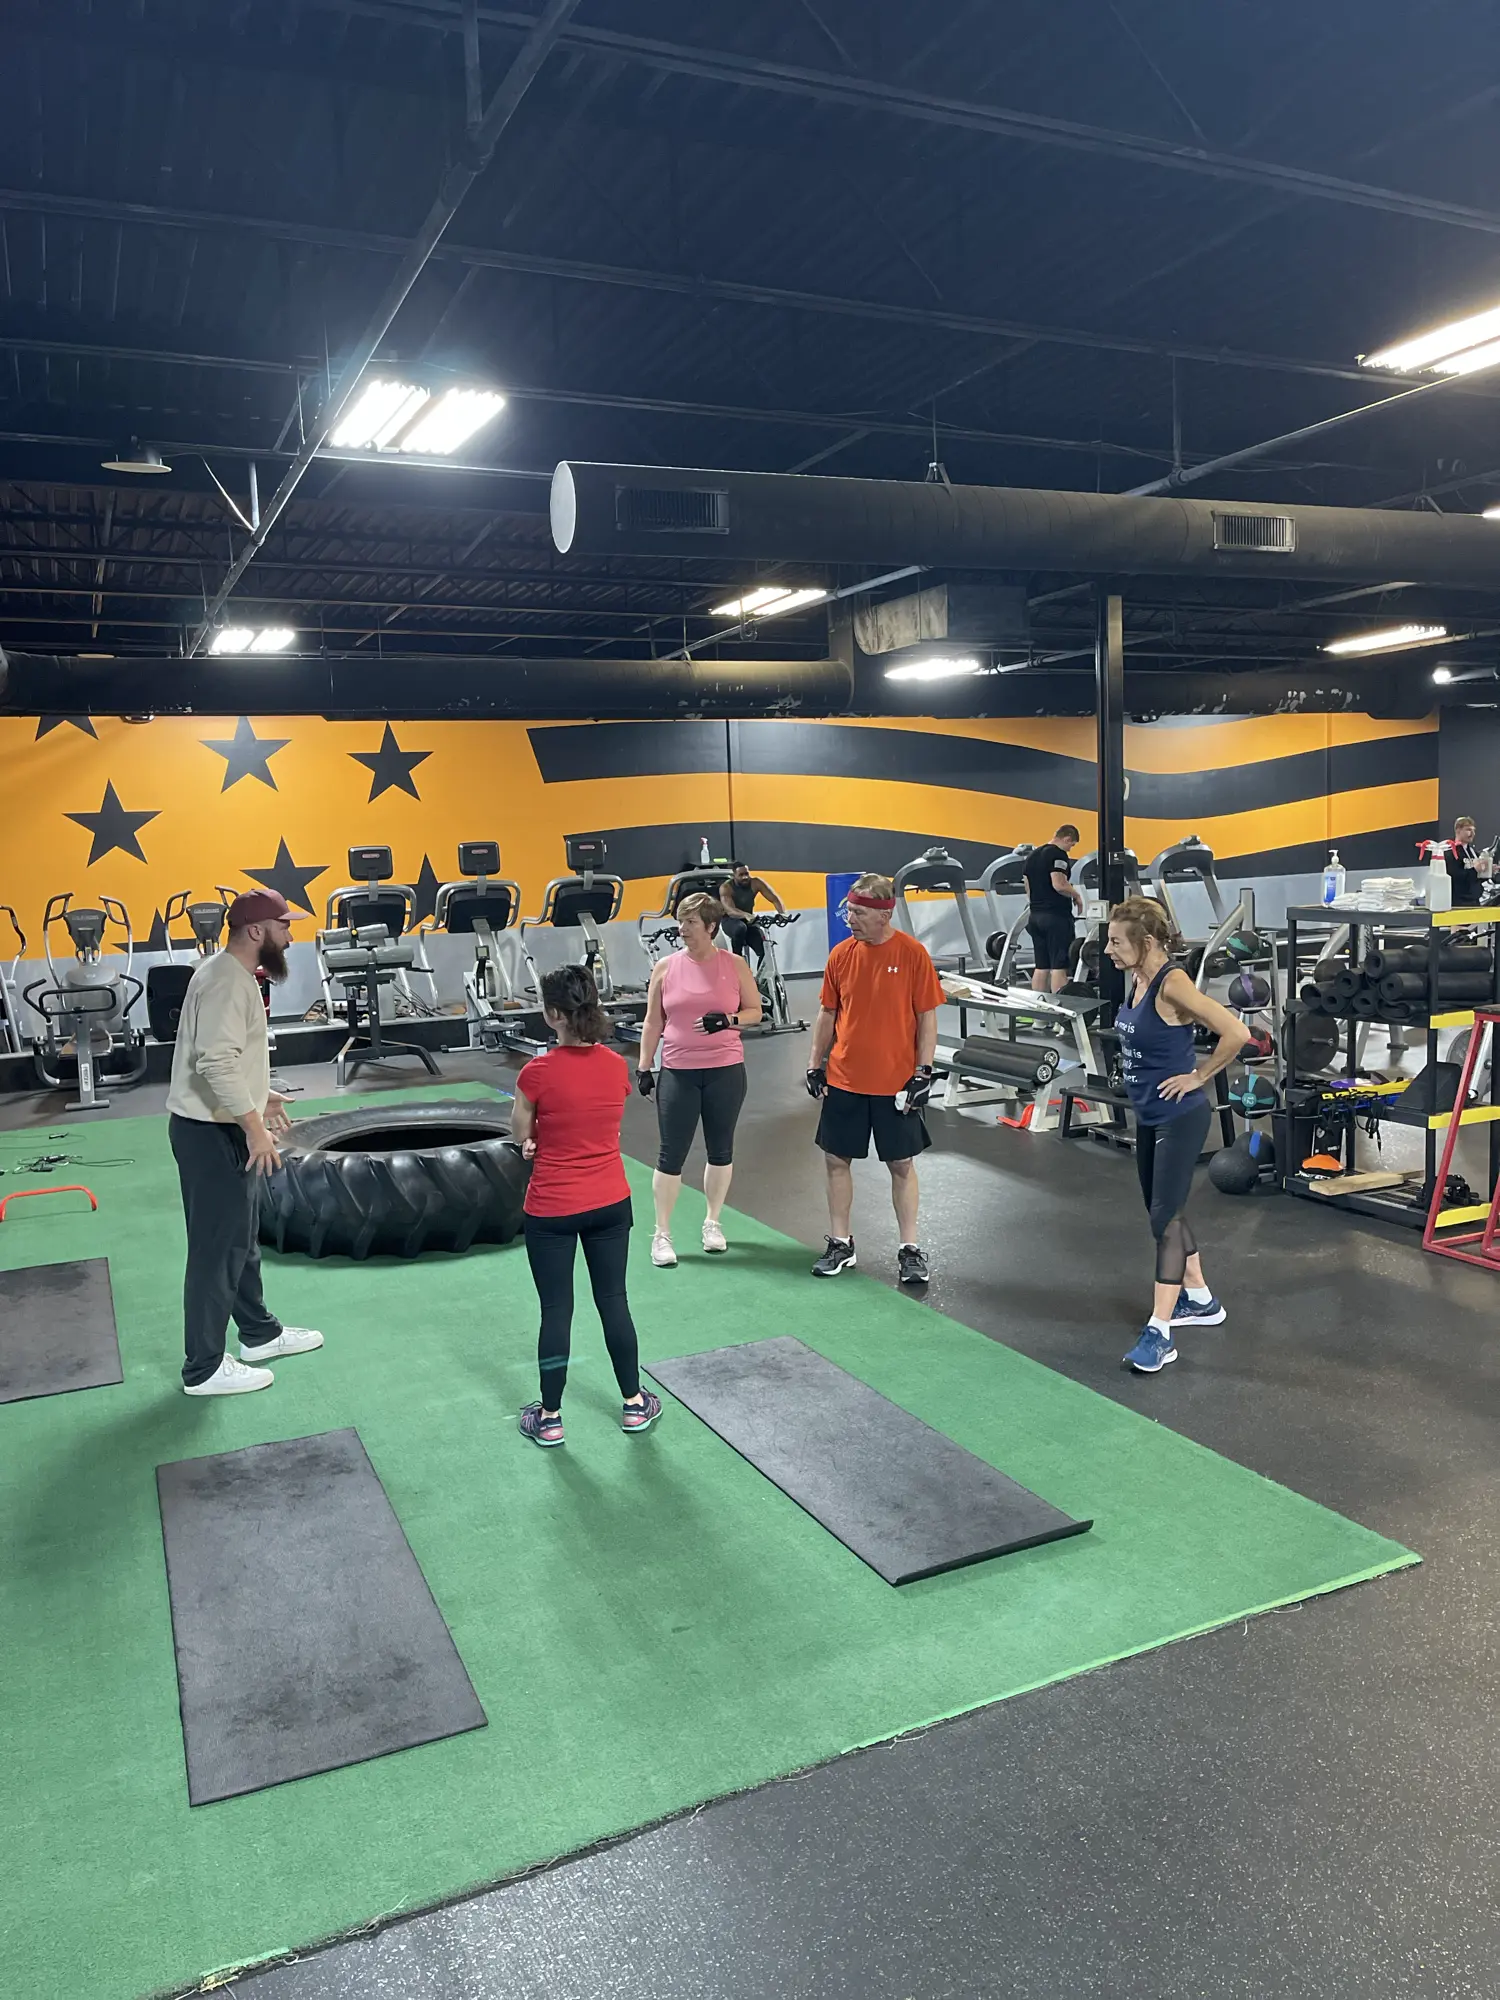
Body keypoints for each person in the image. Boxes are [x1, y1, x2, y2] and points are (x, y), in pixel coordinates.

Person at [165, 888, 323, 1396]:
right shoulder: (228, 983)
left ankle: (259, 1334)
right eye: (284, 926)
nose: (290, 936)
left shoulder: (222, 971)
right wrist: (255, 1130)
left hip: (217, 1125)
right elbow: (215, 1062)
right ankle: (204, 1369)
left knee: (241, 1240)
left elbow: (220, 1056)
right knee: (216, 1251)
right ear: (257, 931)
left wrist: (260, 1095)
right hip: (211, 1135)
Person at [510, 964, 662, 1447]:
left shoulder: (536, 1072)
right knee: (613, 1301)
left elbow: (521, 1132)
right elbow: (596, 1120)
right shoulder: (616, 1066)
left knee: (556, 1311)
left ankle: (550, 1418)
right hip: (610, 1202)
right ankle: (634, 1404)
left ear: (553, 1014)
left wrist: (534, 1138)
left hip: (552, 1208)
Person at [1105, 897, 1250, 1376]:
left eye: (1116, 941)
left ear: (1147, 942)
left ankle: (1160, 1332)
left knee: (1164, 1220)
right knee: (1162, 1213)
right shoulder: (1137, 979)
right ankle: (1202, 1299)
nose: (1107, 949)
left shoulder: (1173, 984)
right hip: (1149, 1115)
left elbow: (1236, 1032)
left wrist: (1200, 1075)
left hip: (1180, 1116)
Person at [806, 871, 945, 1284]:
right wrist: (814, 1064)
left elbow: (927, 1017)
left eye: (859, 913)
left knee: (901, 1164)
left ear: (884, 915)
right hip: (845, 1077)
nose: (850, 919)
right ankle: (841, 1243)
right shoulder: (841, 955)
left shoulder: (913, 954)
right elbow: (827, 1013)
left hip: (895, 1082)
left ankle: (909, 1249)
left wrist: (923, 1072)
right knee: (836, 1160)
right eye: (849, 911)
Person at [636, 892, 762, 1265]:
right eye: (680, 921)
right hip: (678, 1071)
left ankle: (713, 1222)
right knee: (670, 1154)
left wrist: (729, 1020)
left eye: (690, 922)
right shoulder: (665, 967)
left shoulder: (734, 965)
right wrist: (644, 1066)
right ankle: (661, 1234)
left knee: (720, 1150)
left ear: (711, 926)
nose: (682, 929)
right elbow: (653, 1021)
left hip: (725, 1070)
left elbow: (755, 1011)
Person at [1022, 824, 1085, 992]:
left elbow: (1028, 888)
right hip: (1056, 917)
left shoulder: (1032, 856)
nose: (1070, 849)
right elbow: (1059, 884)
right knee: (1059, 966)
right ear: (1067, 838)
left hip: (1035, 916)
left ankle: (1038, 1006)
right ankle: (1060, 1006)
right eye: (1072, 845)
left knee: (1041, 966)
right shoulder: (1058, 854)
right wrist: (1076, 896)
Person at [718, 862, 786, 972]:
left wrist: (782, 913)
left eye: (746, 874)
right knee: (740, 928)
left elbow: (774, 899)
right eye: (741, 875)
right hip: (731, 921)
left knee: (764, 949)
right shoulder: (726, 887)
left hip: (749, 921)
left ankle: (761, 978)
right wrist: (745, 915)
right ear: (734, 875)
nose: (745, 877)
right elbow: (730, 910)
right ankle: (737, 960)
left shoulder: (755, 883)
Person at [1446, 816, 1492, 907]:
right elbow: (1454, 876)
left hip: (1474, 901)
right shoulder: (1450, 852)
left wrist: (1489, 871)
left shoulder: (1473, 853)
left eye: (1473, 830)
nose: (1472, 834)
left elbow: (1476, 878)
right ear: (1458, 830)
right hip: (1459, 902)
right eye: (1468, 830)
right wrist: (1475, 870)